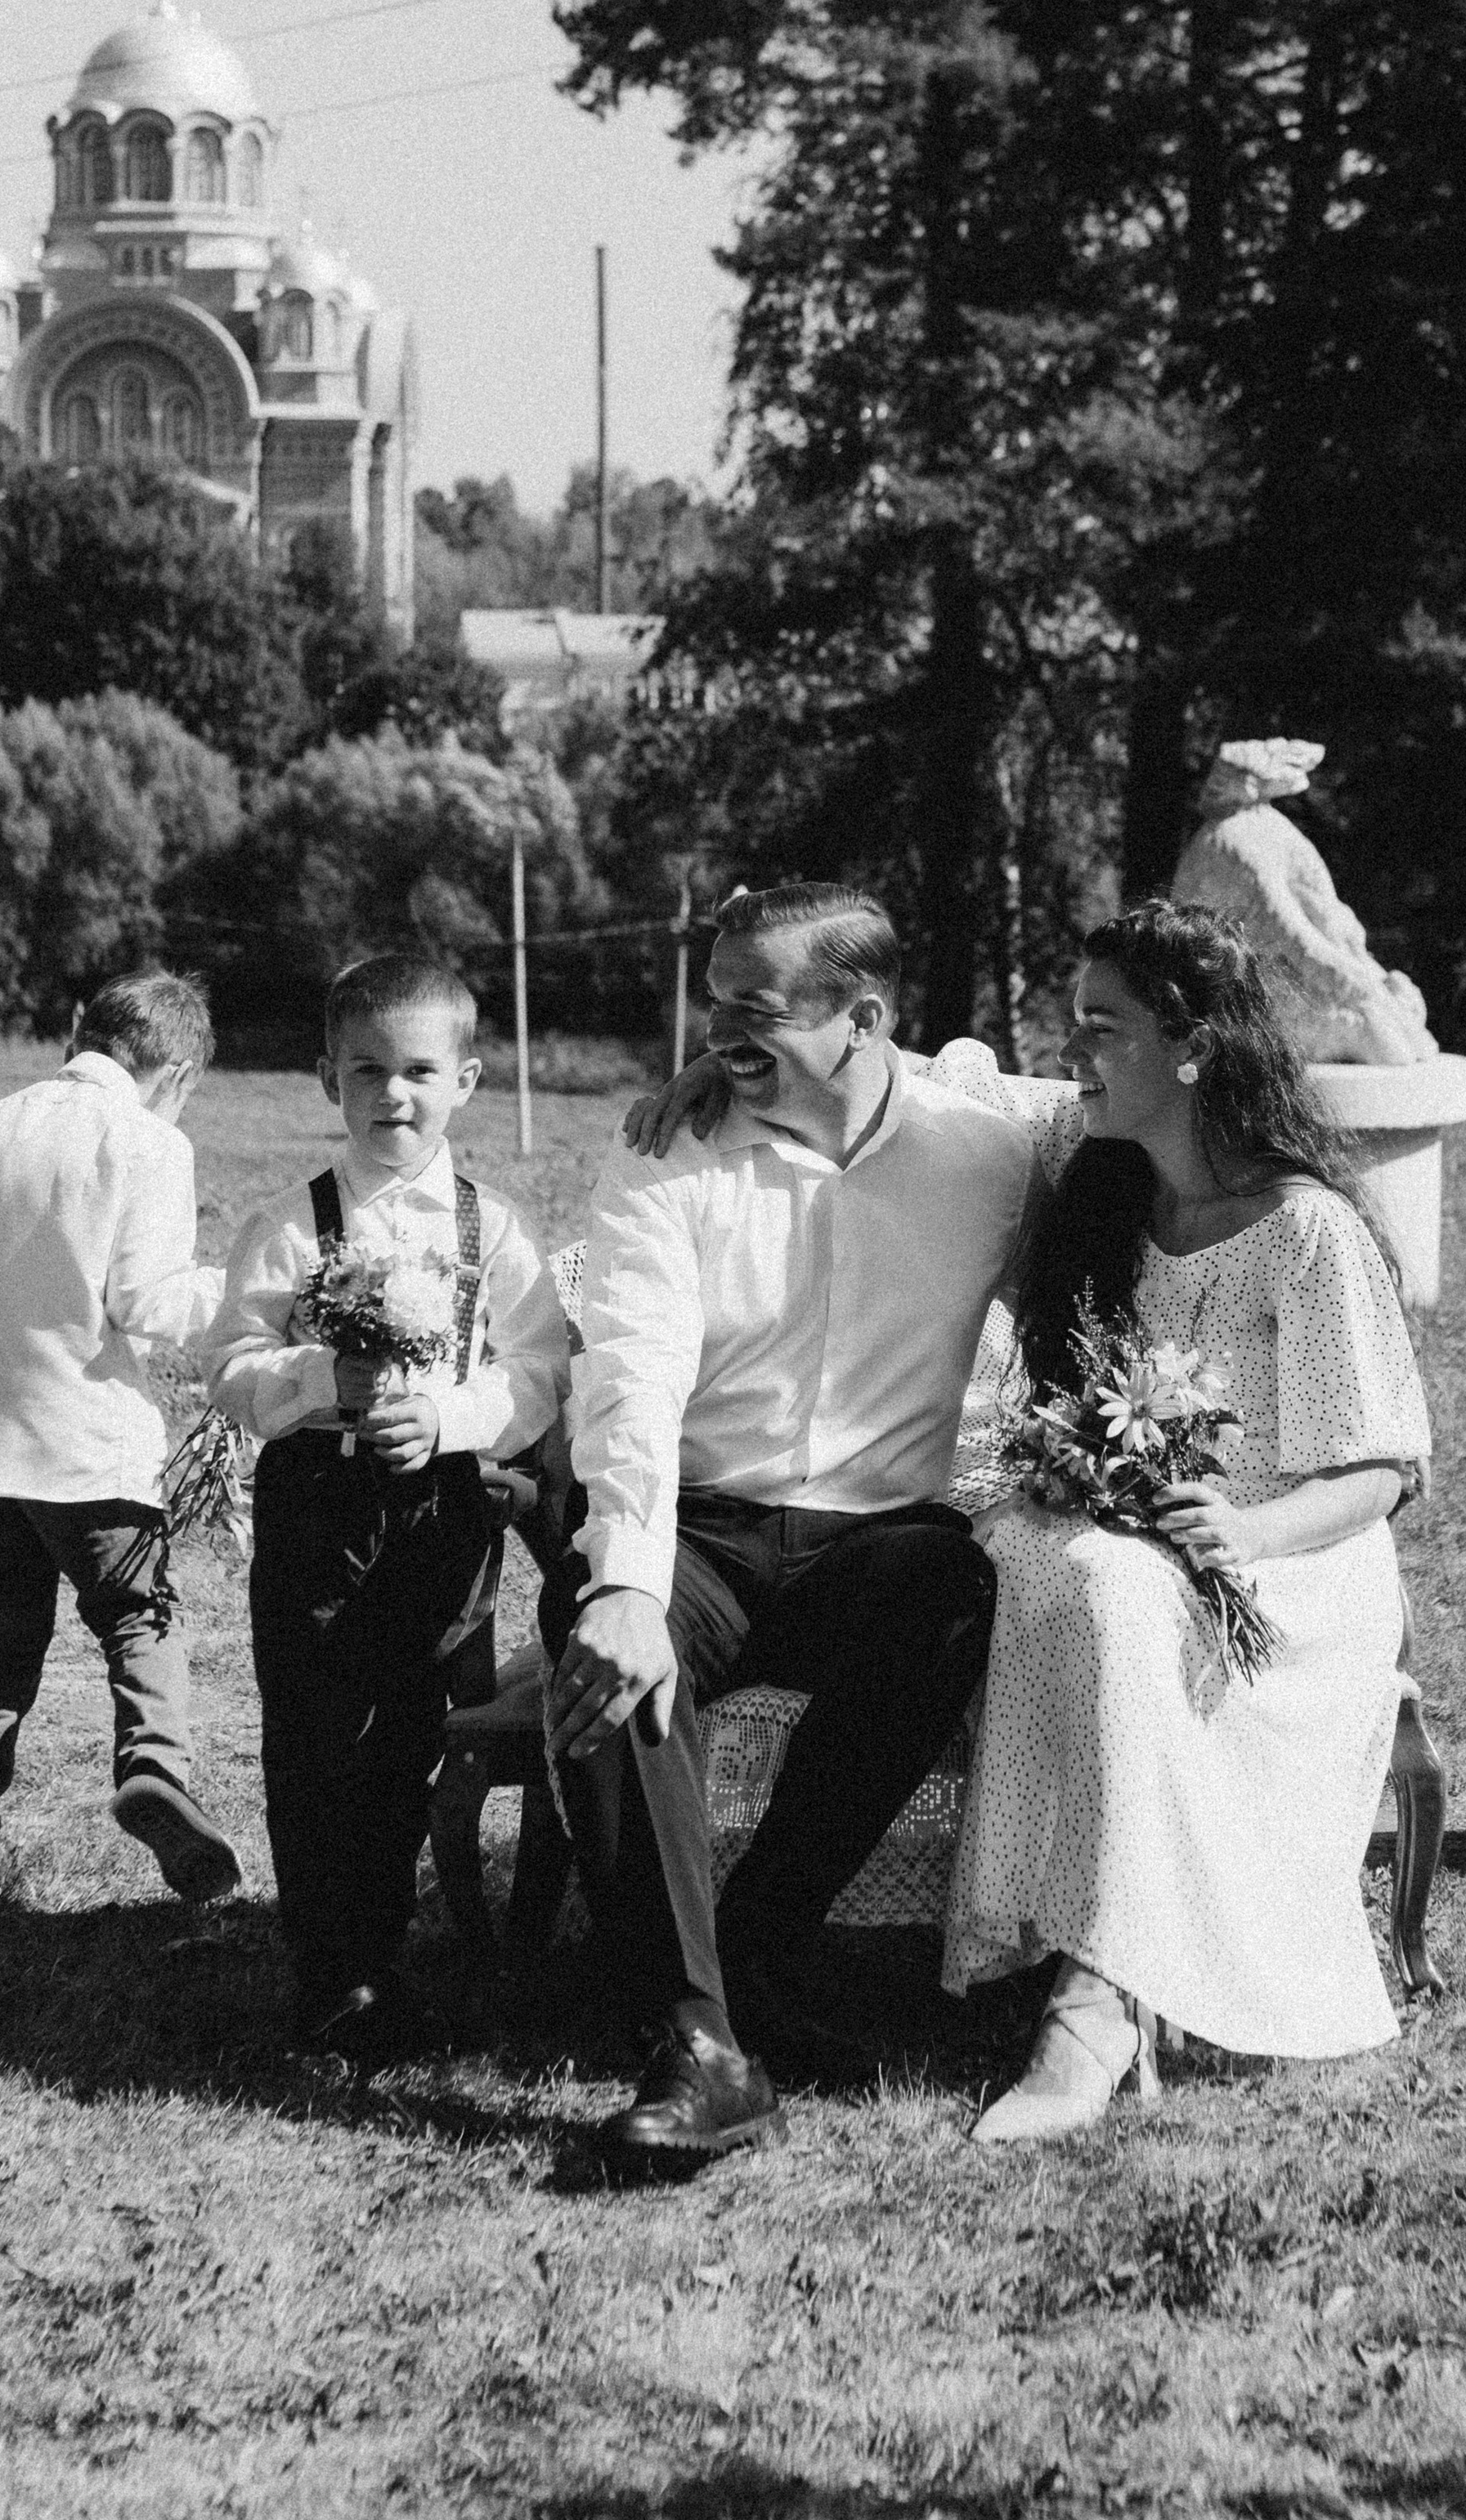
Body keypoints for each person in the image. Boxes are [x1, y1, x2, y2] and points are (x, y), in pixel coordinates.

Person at [544, 880, 1037, 2166]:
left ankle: (753, 1952)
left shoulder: (985, 1156)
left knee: (950, 1597)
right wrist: (630, 1585)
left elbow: (1131, 1118)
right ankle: (697, 2038)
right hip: (704, 1529)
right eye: (711, 1008)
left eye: (751, 1011)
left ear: (863, 1018)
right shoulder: (669, 1147)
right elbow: (631, 1370)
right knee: (597, 1629)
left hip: (877, 1545)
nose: (715, 1041)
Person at [937, 898, 1432, 2142]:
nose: (1078, 1052)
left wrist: (1245, 1535)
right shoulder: (1098, 1182)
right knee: (1016, 1550)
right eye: (1074, 1025)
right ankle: (1053, 1938)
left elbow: (1379, 1473)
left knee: (1103, 1581)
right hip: (1133, 1543)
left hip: (1289, 1571)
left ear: (1195, 1046)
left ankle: (1099, 2003)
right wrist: (712, 1080)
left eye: (1106, 1028)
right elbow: (910, 1077)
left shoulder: (1306, 1229)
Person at [204, 951, 570, 2063]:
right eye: (367, 1070)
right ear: (327, 1078)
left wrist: (453, 1420)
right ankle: (336, 1977)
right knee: (317, 1736)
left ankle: (392, 1949)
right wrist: (318, 1380)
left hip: (440, 1509)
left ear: (467, 1078)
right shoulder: (290, 1222)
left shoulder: (493, 1230)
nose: (393, 1095)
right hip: (320, 1502)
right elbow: (227, 1367)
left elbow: (540, 1375)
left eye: (419, 1070)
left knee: (409, 1726)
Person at [0, 970, 237, 1913]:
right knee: (139, 1622)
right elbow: (145, 1303)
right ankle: (157, 1772)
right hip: (85, 1443)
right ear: (176, 1072)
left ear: (78, 1031)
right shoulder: (149, 1140)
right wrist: (243, 1293)